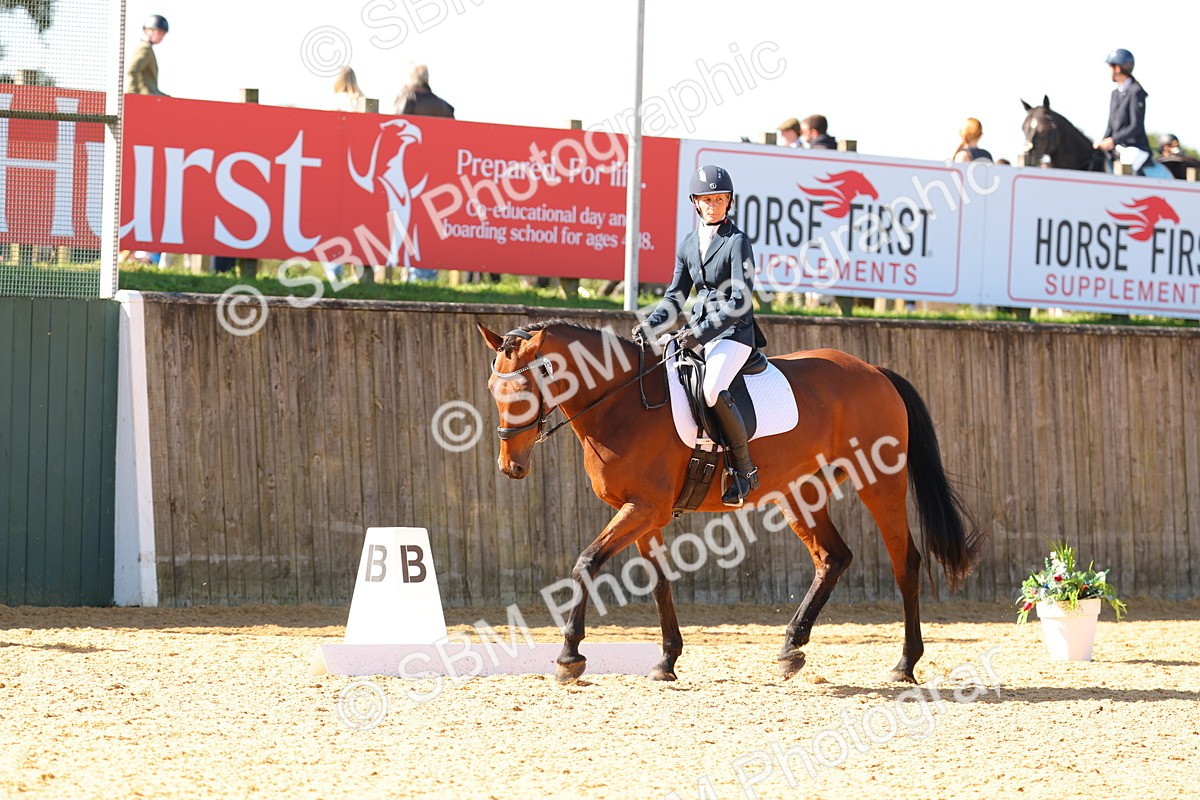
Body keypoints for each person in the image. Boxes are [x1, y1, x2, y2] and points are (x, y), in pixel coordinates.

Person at [632, 165, 764, 507]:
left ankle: (743, 470)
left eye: (720, 199)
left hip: (734, 333)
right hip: (698, 331)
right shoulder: (688, 243)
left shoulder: (737, 242)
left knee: (710, 390)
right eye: (708, 200)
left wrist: (699, 335)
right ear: (696, 203)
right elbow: (675, 296)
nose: (714, 205)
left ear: (729, 202)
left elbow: (739, 300)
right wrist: (651, 326)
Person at [1095, 48, 1153, 174]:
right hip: (1117, 145)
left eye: (1110, 67)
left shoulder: (1136, 91)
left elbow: (1135, 126)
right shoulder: (1115, 93)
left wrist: (1114, 140)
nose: (1108, 71)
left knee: (1126, 169)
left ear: (1117, 68)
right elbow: (1111, 124)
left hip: (1134, 147)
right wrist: (1103, 141)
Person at [125, 14, 169, 96]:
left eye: (163, 33)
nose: (162, 36)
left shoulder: (147, 48)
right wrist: (132, 94)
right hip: (146, 95)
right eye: (159, 32)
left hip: (150, 93)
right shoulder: (145, 47)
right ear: (149, 30)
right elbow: (132, 70)